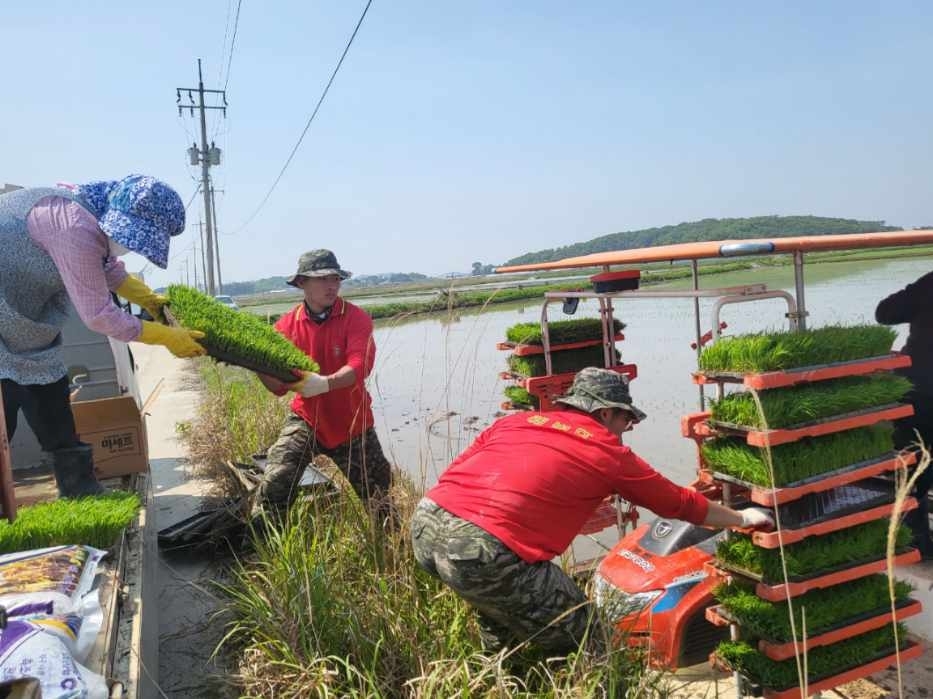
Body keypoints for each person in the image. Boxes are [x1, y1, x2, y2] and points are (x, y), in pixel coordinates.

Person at [411, 367, 775, 657]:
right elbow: (679, 504)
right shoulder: (606, 453)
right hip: (485, 550)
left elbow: (461, 474)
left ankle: (508, 678)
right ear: (605, 413)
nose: (626, 431)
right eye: (626, 421)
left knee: (498, 612)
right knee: (593, 639)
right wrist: (742, 518)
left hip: (426, 525)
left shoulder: (515, 422)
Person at [0, 175, 206, 498]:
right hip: (5, 315)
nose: (131, 246)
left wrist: (148, 299)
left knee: (52, 399)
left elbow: (106, 267)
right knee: (3, 416)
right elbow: (99, 316)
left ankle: (81, 490)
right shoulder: (73, 227)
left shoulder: (89, 215)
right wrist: (166, 337)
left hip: (23, 322)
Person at [253, 249, 393, 523]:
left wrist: (326, 384)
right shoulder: (285, 327)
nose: (332, 286)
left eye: (335, 279)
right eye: (322, 279)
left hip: (352, 422)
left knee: (380, 500)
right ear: (302, 283)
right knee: (276, 479)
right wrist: (254, 363)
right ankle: (262, 542)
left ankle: (393, 552)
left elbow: (359, 366)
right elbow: (277, 387)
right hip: (307, 418)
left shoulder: (355, 318)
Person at [876, 271, 933, 558]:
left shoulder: (929, 283)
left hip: (921, 390)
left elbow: (884, 313)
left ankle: (915, 543)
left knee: (913, 472)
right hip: (924, 391)